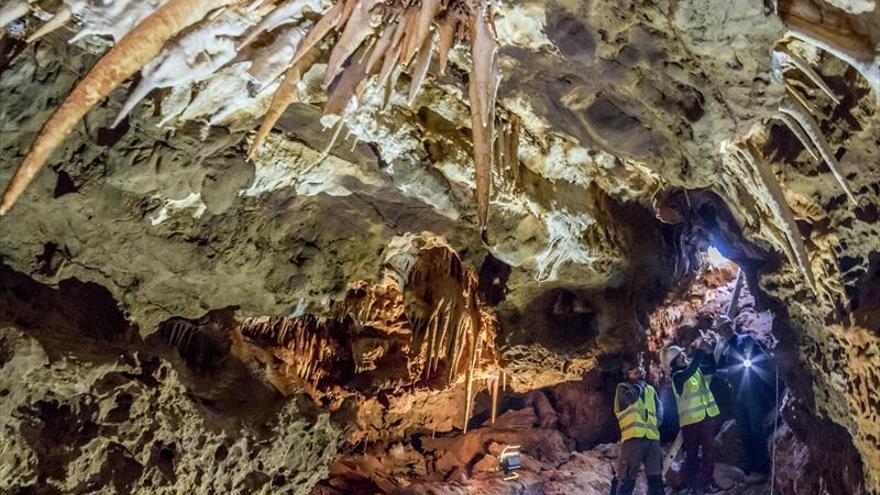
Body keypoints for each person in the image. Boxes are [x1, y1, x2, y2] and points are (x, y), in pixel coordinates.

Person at [713, 315, 773, 483]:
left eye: (727, 326)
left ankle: (762, 468)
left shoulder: (745, 339)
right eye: (722, 328)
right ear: (720, 332)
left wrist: (754, 367)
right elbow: (727, 372)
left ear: (732, 325)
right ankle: (750, 464)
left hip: (752, 390)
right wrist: (717, 373)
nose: (726, 329)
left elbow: (762, 358)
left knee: (756, 428)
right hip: (737, 393)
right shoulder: (725, 350)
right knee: (744, 430)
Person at [664, 339, 721, 495]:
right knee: (692, 455)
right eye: (680, 356)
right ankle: (691, 484)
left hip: (707, 417)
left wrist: (708, 354)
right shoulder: (677, 377)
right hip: (691, 422)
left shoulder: (694, 370)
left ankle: (705, 482)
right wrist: (699, 352)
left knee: (709, 451)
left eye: (683, 355)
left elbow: (711, 369)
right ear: (673, 362)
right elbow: (689, 372)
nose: (683, 357)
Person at [611, 361, 664, 495]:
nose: (638, 371)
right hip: (633, 438)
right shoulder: (622, 388)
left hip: (652, 438)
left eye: (639, 368)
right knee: (626, 476)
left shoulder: (650, 390)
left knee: (655, 477)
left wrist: (656, 423)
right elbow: (631, 399)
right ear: (627, 373)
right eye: (633, 370)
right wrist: (640, 384)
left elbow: (659, 409)